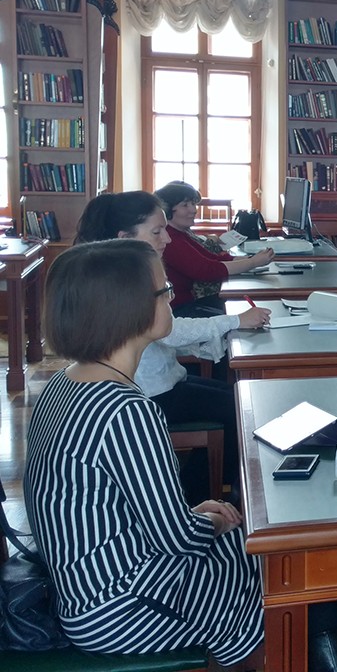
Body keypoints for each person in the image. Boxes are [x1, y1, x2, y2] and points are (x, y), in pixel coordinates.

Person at [25, 240, 265, 667]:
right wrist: (214, 520)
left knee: (253, 550)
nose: (172, 297)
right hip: (123, 609)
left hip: (79, 593)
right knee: (278, 564)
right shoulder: (126, 410)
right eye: (165, 289)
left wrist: (192, 515)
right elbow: (178, 540)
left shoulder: (63, 384)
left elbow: (115, 509)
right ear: (130, 307)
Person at [75, 191, 272, 505]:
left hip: (164, 380)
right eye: (157, 232)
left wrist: (219, 336)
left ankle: (214, 488)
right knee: (241, 410)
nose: (167, 239)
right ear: (124, 237)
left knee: (239, 396)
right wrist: (234, 321)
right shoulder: (126, 283)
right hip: (151, 393)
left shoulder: (119, 271)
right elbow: (170, 331)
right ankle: (200, 496)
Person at [155, 181, 275, 317]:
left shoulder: (180, 233)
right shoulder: (170, 238)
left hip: (188, 304)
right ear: (167, 210)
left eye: (193, 204)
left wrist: (252, 259)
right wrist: (253, 262)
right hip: (179, 311)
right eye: (185, 205)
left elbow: (213, 258)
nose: (194, 210)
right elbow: (206, 270)